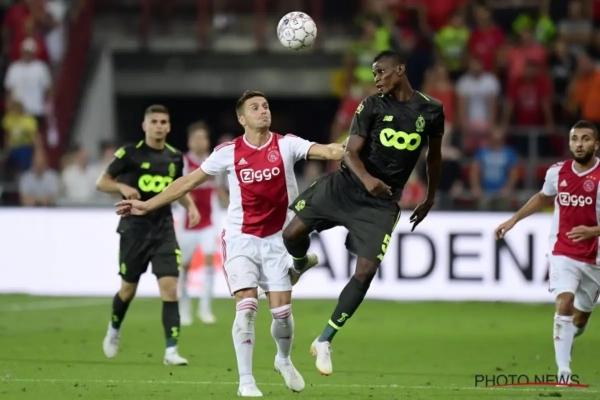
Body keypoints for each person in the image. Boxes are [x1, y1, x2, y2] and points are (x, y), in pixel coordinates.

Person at [114, 90, 346, 397]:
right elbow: (187, 181)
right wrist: (147, 204)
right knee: (247, 307)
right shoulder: (229, 151)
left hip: (277, 240)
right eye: (255, 107)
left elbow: (329, 151)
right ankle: (246, 381)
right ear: (242, 118)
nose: (263, 110)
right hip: (241, 239)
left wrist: (353, 146)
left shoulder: (287, 144)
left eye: (265, 106)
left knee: (282, 315)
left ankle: (283, 360)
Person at [281, 50, 445, 376]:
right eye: (374, 74)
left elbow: (434, 157)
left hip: (381, 203)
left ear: (400, 70)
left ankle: (325, 339)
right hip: (345, 186)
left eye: (381, 72)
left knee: (367, 270)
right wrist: (368, 180)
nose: (377, 78)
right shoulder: (370, 105)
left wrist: (430, 196)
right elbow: (350, 153)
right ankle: (300, 263)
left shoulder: (431, 109)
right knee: (291, 235)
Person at [494, 120, 600, 385]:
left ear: (596, 145)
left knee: (580, 318)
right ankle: (564, 372)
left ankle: (570, 336)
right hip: (562, 250)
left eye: (585, 139)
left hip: (595, 257)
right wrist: (514, 219)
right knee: (564, 301)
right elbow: (543, 196)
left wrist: (594, 231)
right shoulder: (557, 172)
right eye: (575, 139)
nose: (579, 144)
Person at [96, 104, 200, 366]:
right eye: (154, 121)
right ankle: (114, 328)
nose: (159, 126)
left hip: (163, 231)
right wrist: (122, 187)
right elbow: (102, 181)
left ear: (169, 126)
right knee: (127, 290)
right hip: (133, 231)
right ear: (145, 126)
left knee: (170, 288)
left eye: (163, 122)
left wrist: (191, 206)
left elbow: (178, 188)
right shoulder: (129, 153)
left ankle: (171, 350)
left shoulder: (175, 157)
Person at [177, 121, 218, 325]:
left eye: (203, 138)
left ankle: (205, 308)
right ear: (189, 141)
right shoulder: (184, 163)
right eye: (196, 138)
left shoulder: (214, 162)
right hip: (188, 224)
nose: (199, 142)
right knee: (184, 267)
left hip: (209, 221)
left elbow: (219, 188)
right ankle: (184, 309)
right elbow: (178, 190)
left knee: (210, 261)